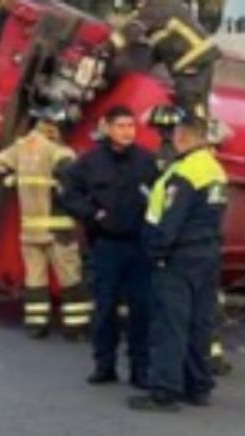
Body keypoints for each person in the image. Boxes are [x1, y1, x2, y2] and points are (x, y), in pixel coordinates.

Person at [129, 109, 228, 412]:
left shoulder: (183, 173)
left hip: (179, 257)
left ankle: (164, 390)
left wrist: (156, 252)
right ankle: (198, 386)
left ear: (181, 137)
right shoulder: (214, 169)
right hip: (207, 255)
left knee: (171, 324)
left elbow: (171, 220)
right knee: (200, 323)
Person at [59, 106, 158, 388]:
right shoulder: (89, 162)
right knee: (105, 309)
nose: (127, 131)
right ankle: (104, 366)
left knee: (142, 309)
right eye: (121, 126)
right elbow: (69, 194)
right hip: (106, 245)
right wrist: (93, 214)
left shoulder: (146, 162)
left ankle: (141, 369)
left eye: (131, 126)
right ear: (107, 127)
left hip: (140, 246)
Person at [0, 104, 92, 340]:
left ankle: (37, 325)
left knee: (35, 279)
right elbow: (72, 177)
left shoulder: (20, 147)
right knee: (71, 279)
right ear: (54, 125)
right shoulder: (59, 152)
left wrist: (12, 181)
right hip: (58, 229)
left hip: (30, 230)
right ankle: (75, 328)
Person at [106, 0, 220, 120]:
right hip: (192, 59)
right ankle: (197, 128)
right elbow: (159, 44)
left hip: (194, 59)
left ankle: (198, 131)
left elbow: (130, 31)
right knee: (191, 101)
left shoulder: (158, 6)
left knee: (190, 102)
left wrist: (105, 48)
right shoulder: (151, 9)